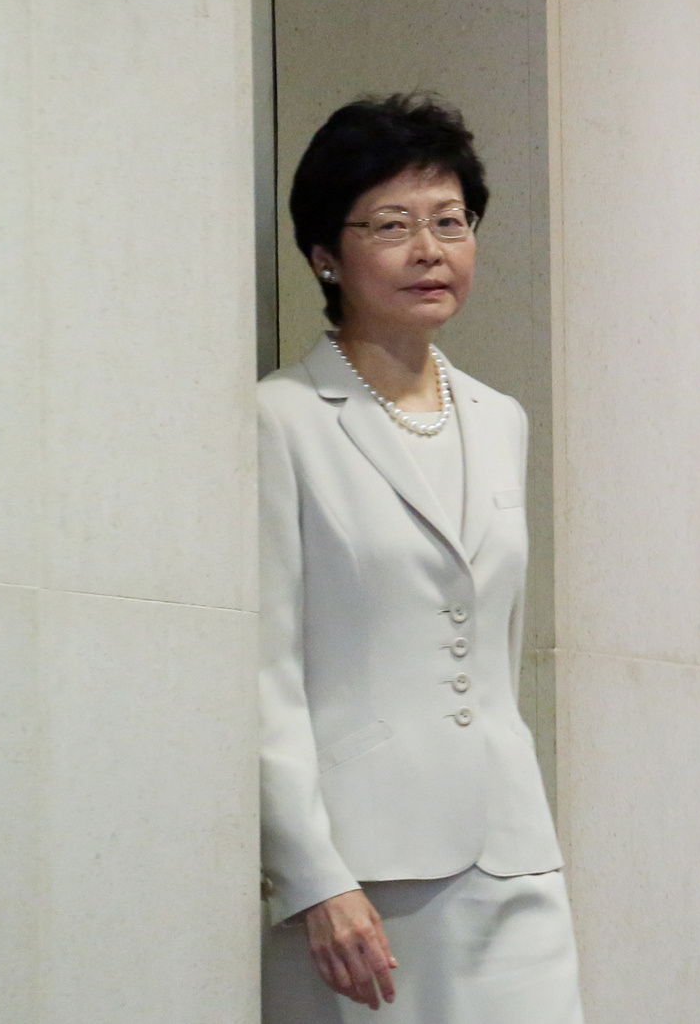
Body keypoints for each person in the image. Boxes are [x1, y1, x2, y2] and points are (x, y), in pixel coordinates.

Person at [258, 95, 583, 1022]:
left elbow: (497, 648)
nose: (429, 249)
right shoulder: (280, 418)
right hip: (363, 877)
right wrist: (315, 875)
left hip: (514, 851)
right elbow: (265, 672)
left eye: (450, 221)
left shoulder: (501, 418)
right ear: (327, 252)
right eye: (392, 225)